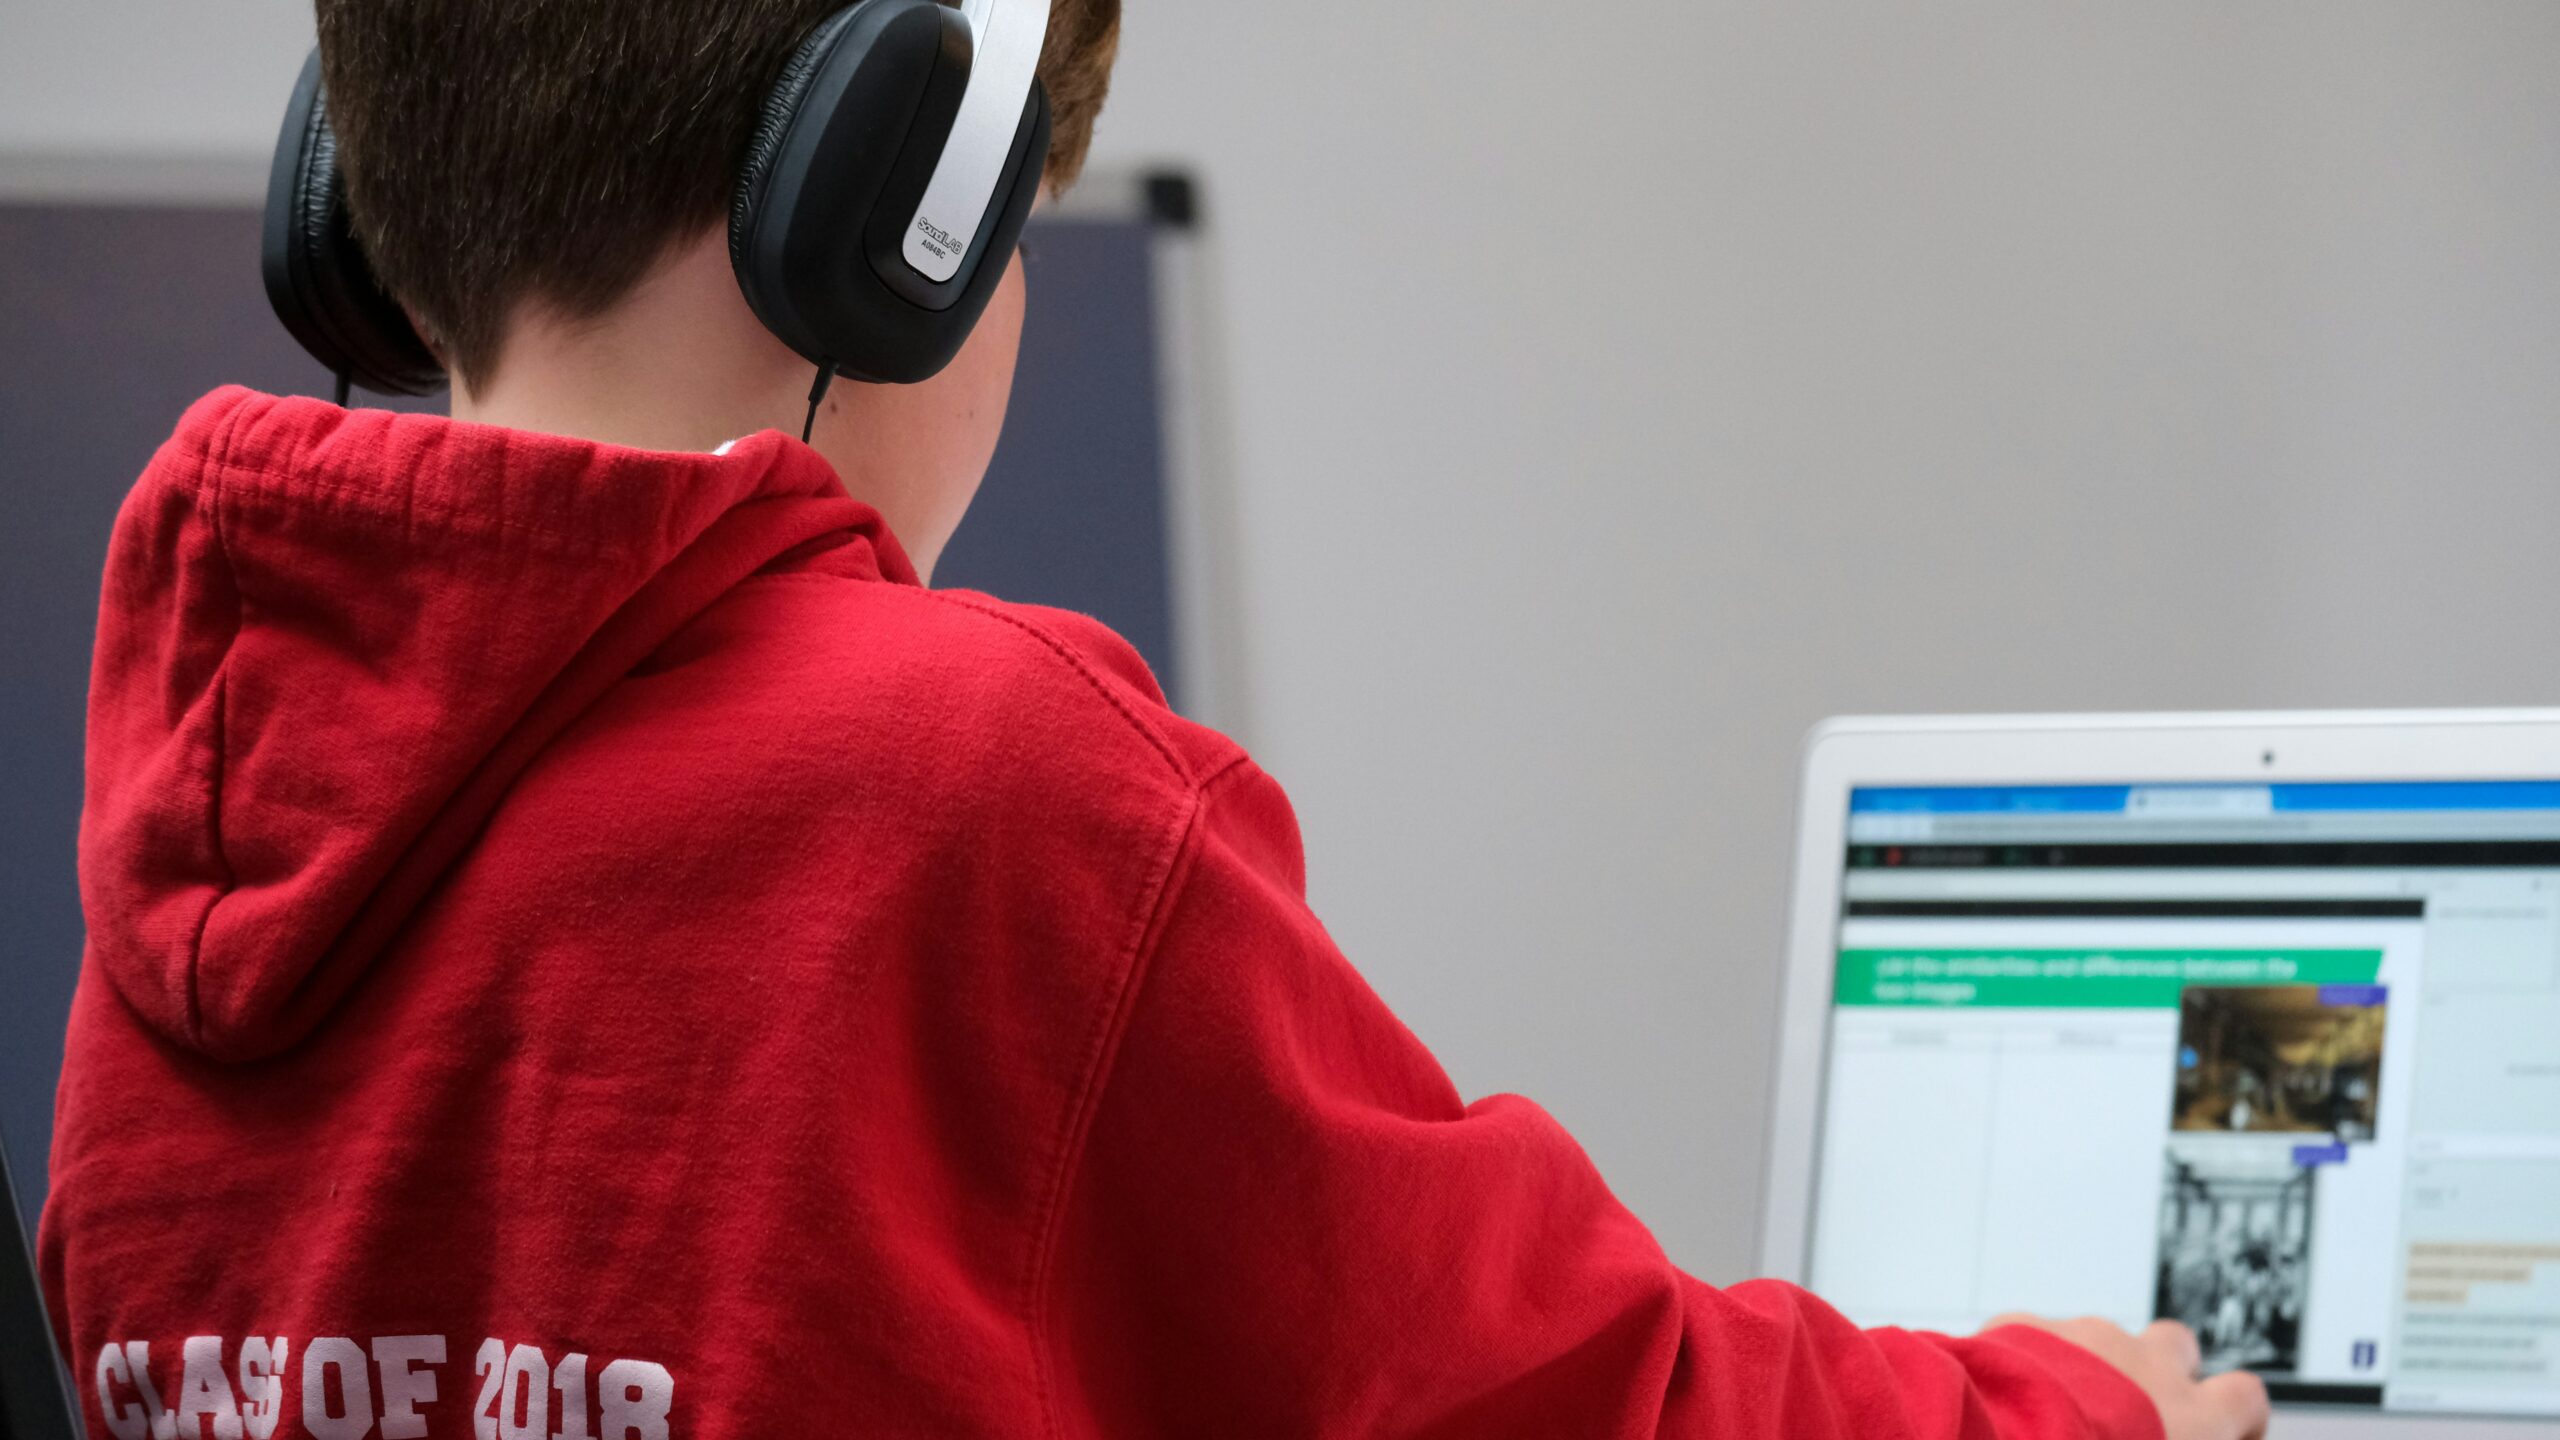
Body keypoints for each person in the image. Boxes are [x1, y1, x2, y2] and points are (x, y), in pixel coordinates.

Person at [40, 3, 2271, 1437]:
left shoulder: (198, 802)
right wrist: (2068, 1409)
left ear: (356, 184)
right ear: (881, 229)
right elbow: (1569, 1397)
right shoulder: (964, 784)